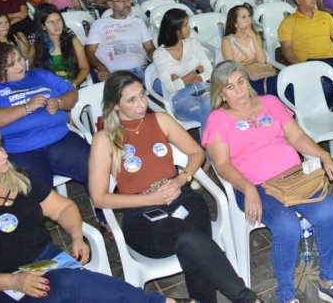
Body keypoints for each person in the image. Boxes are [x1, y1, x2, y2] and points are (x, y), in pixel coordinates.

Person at [89, 72, 260, 303]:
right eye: (131, 100)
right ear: (114, 105)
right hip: (142, 215)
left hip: (182, 197)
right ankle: (247, 299)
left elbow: (196, 152)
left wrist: (182, 179)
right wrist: (151, 199)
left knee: (192, 240)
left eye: (142, 95)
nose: (141, 104)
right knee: (191, 238)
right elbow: (99, 198)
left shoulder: (160, 120)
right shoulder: (105, 139)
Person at [204, 61, 333, 303]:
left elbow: (296, 136)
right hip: (255, 187)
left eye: (241, 82)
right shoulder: (218, 119)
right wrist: (247, 189)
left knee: (327, 211)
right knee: (287, 227)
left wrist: (323, 155)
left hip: (293, 179)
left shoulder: (270, 103)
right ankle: (286, 296)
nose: (239, 90)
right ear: (221, 93)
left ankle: (329, 282)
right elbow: (221, 164)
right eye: (230, 87)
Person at [0, 126, 175, 303]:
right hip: (4, 284)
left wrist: (77, 236)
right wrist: (14, 281)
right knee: (68, 283)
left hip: (46, 261)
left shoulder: (20, 179)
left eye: (0, 147)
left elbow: (63, 208)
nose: (4, 155)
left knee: (79, 288)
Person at [0, 43, 93, 203]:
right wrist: (27, 107)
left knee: (96, 169)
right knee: (32, 194)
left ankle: (105, 216)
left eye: (20, 59)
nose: (20, 65)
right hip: (20, 149)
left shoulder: (39, 75)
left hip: (60, 138)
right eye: (12, 64)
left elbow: (72, 93)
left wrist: (60, 102)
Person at [154, 8, 213, 131]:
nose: (190, 28)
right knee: (211, 114)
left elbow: (209, 70)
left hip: (204, 88)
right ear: (175, 29)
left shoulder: (193, 43)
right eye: (186, 25)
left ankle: (212, 148)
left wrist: (182, 79)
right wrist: (196, 71)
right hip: (181, 98)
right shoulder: (160, 54)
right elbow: (170, 87)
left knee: (212, 108)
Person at [85, 0, 154, 81]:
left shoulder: (138, 22)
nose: (127, 4)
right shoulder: (99, 24)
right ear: (110, 4)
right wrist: (101, 67)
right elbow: (89, 52)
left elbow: (150, 48)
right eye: (121, 1)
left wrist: (157, 57)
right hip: (117, 74)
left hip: (142, 70)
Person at [221, 4, 279, 96]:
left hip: (261, 73)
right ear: (234, 23)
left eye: (249, 16)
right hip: (244, 78)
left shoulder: (255, 36)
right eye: (244, 17)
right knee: (274, 87)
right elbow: (232, 68)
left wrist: (253, 36)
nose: (248, 19)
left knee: (282, 83)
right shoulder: (227, 41)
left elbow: (262, 60)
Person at [31, 4, 90, 89]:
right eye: (51, 22)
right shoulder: (38, 46)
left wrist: (73, 85)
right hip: (50, 89)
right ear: (43, 26)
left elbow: (85, 68)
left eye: (59, 20)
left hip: (73, 85)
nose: (57, 25)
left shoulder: (73, 41)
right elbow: (34, 73)